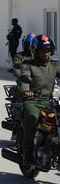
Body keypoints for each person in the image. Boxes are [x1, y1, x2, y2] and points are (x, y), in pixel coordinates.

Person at [20, 35, 60, 168]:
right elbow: (24, 77)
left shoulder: (55, 65)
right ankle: (28, 154)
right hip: (33, 101)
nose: (46, 53)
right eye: (43, 50)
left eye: (48, 50)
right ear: (35, 51)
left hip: (50, 102)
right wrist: (26, 91)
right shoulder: (28, 64)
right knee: (32, 116)